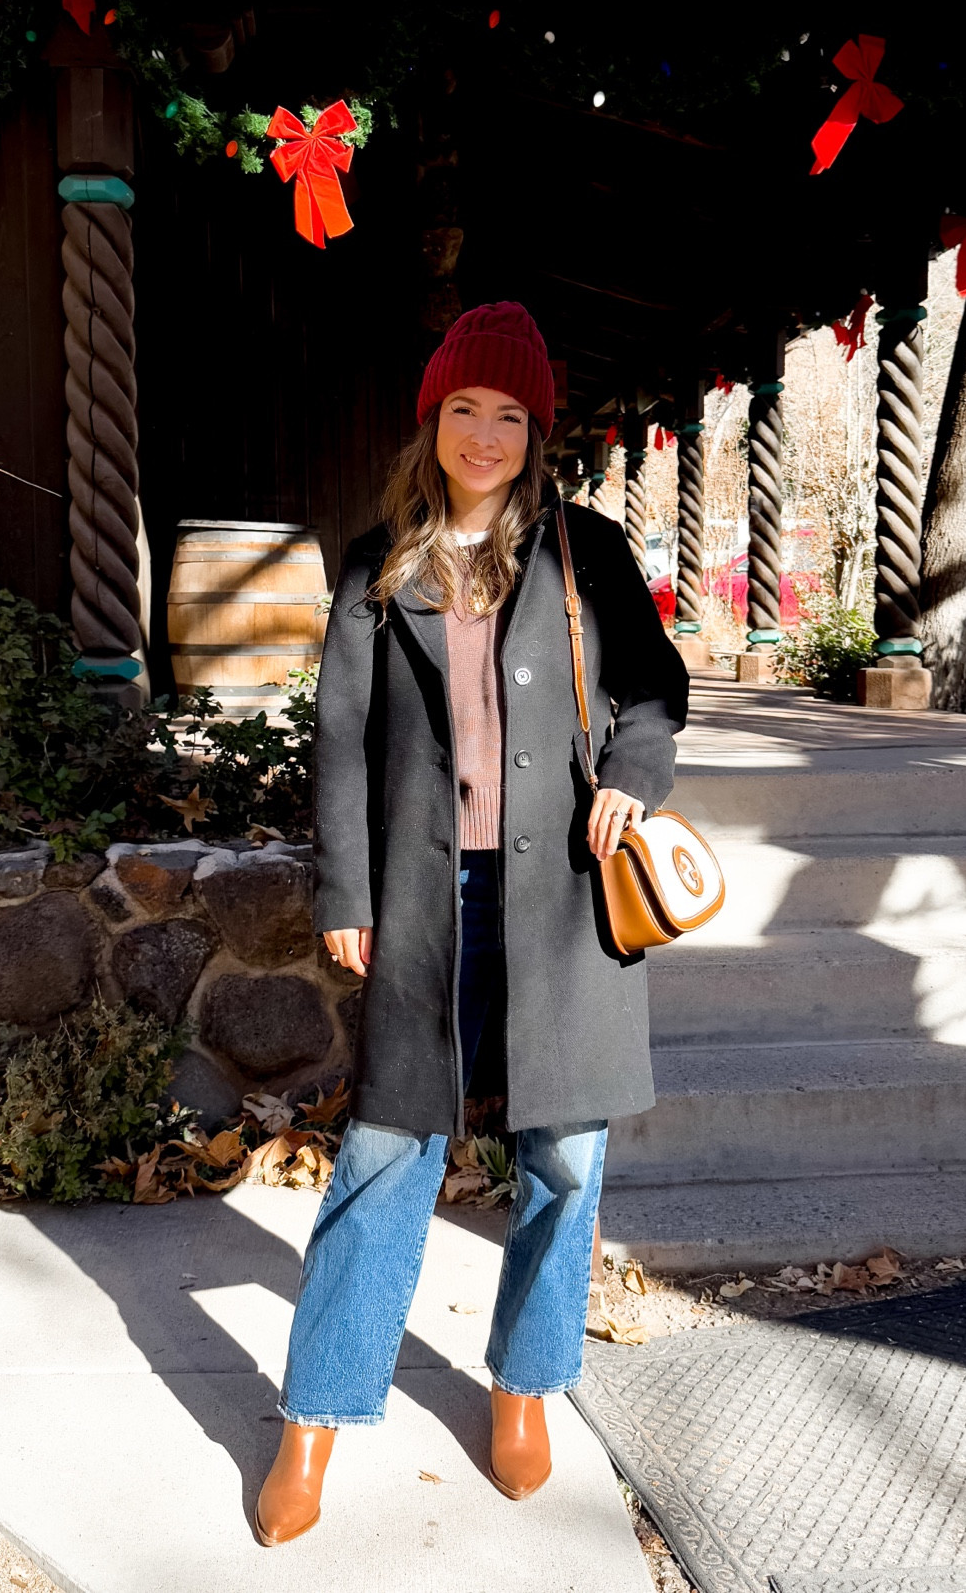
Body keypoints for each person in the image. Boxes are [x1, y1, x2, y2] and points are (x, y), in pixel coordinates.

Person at [255, 301, 688, 1547]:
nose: (486, 434)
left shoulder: (585, 554)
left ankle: (523, 1381)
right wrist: (347, 891)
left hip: (564, 899)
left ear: (536, 430)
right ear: (432, 420)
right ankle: (316, 1414)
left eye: (511, 414)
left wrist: (630, 780)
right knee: (387, 1155)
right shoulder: (376, 561)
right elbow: (340, 742)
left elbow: (654, 694)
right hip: (425, 901)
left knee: (564, 1156)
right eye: (466, 410)